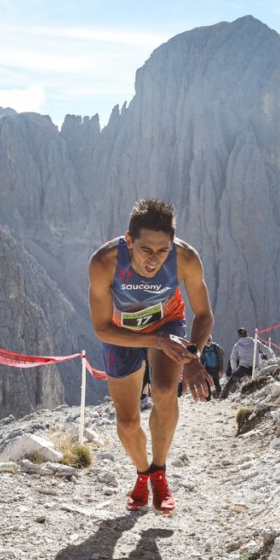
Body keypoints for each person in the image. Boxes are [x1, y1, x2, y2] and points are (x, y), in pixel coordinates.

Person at [88, 199, 213, 514]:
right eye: (146, 250)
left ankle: (159, 472)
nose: (154, 260)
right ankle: (142, 474)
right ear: (129, 241)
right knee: (128, 422)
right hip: (122, 332)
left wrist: (193, 353)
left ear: (172, 244)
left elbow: (204, 315)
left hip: (167, 323)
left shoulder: (186, 259)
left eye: (162, 250)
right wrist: (156, 341)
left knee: (164, 391)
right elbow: (102, 329)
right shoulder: (104, 262)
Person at [221, 327, 267, 399]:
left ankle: (223, 397)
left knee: (231, 382)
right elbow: (266, 349)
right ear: (247, 334)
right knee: (262, 379)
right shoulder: (256, 342)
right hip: (255, 367)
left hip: (243, 368)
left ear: (239, 335)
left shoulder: (237, 345)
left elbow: (232, 359)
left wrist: (233, 370)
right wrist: (272, 360)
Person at [200, 335, 226, 400]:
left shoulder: (216, 347)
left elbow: (220, 359)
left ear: (211, 340)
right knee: (206, 382)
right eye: (206, 340)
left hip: (216, 368)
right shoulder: (203, 349)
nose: (208, 341)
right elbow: (202, 360)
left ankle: (218, 396)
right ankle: (208, 398)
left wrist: (221, 370)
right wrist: (202, 370)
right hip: (208, 368)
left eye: (209, 340)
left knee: (216, 381)